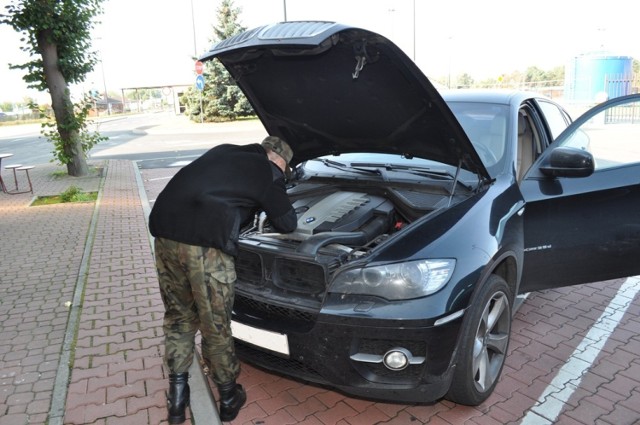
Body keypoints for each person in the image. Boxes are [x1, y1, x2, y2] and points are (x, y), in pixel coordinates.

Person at [149, 136, 297, 423]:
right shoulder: (269, 172)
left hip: (164, 235)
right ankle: (229, 396)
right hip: (205, 249)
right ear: (279, 161)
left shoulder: (224, 151)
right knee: (214, 326)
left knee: (179, 318)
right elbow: (288, 223)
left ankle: (177, 399)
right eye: (284, 168)